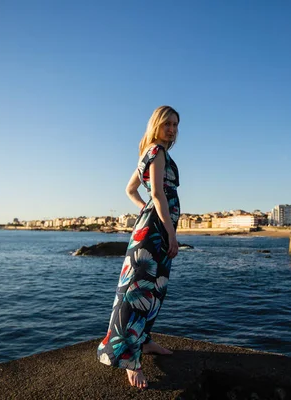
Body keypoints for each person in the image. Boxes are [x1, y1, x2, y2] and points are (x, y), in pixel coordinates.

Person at [97, 106, 180, 389]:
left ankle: (143, 341)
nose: (172, 129)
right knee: (137, 290)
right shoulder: (156, 151)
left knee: (153, 289)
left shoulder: (153, 153)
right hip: (156, 232)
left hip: (154, 228)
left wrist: (147, 211)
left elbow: (131, 190)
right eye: (167, 123)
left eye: (175, 125)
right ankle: (130, 359)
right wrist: (169, 231)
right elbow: (156, 193)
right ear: (156, 125)